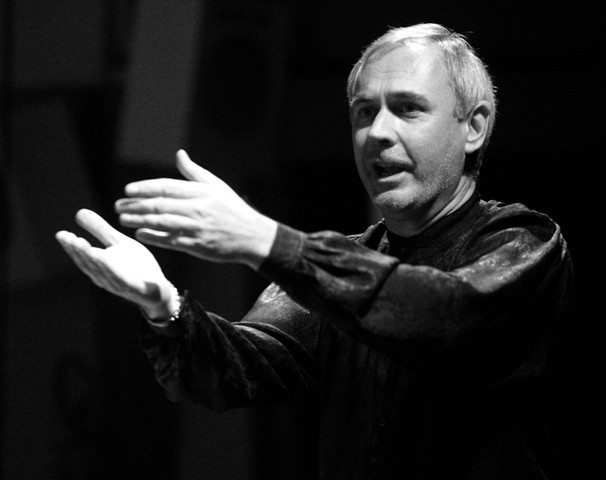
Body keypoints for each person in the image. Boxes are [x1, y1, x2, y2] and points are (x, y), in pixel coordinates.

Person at [56, 23, 575, 479]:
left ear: (474, 127)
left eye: (408, 109)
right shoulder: (334, 266)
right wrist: (164, 305)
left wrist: (267, 241)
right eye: (364, 112)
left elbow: (447, 315)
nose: (377, 133)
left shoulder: (524, 242)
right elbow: (235, 372)